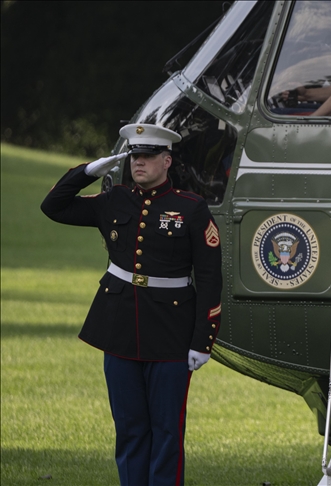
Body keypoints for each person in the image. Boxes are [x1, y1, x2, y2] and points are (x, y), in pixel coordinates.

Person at [40, 124, 223, 485]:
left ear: (166, 161)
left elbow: (210, 278)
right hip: (119, 328)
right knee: (129, 428)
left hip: (171, 333)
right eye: (135, 155)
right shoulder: (114, 200)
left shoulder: (191, 208)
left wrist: (203, 340)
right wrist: (88, 171)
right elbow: (53, 206)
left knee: (167, 431)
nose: (139, 162)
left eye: (148, 156)